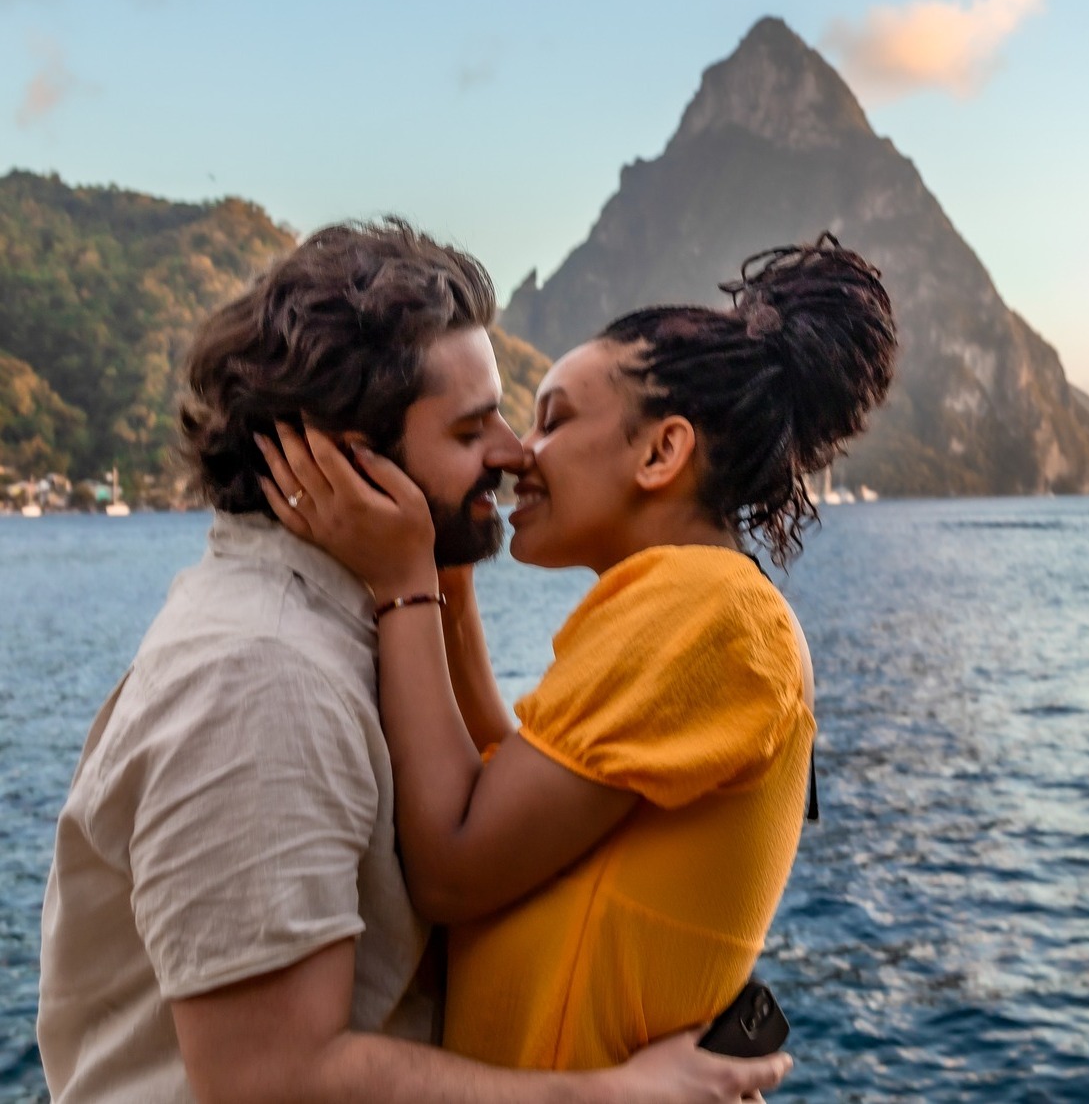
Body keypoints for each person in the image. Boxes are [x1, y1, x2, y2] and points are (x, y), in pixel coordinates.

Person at [36, 220, 791, 1104]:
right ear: (352, 461)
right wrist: (613, 1095)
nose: (513, 454)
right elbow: (269, 1078)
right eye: (476, 429)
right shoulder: (259, 677)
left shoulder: (353, 635)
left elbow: (488, 807)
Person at [258, 235, 897, 1071]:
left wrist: (403, 581)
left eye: (552, 418)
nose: (521, 452)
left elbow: (452, 862)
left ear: (661, 452)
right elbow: (500, 774)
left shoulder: (710, 607)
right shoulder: (693, 602)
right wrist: (444, 558)